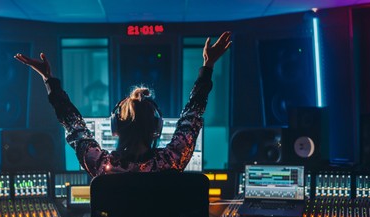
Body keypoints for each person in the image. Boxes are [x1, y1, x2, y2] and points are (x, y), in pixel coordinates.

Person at [14, 31, 232, 178]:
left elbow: (73, 125)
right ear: (156, 129)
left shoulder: (102, 166)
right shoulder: (171, 161)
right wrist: (208, 66)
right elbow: (191, 117)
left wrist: (48, 80)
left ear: (115, 128)